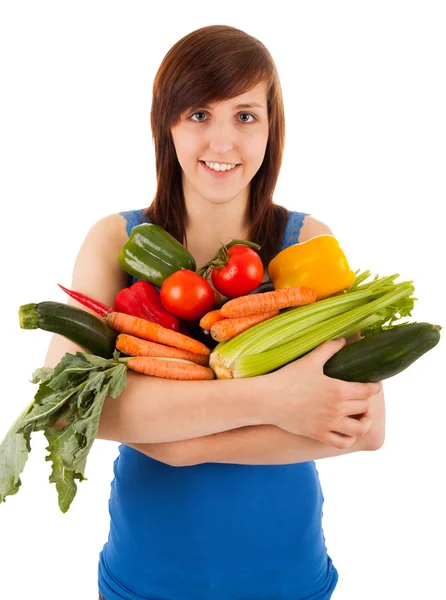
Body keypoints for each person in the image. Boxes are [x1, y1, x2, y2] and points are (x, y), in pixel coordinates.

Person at [45, 24, 384, 600]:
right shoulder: (116, 241)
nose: (221, 144)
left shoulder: (305, 243)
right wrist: (277, 403)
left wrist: (179, 442)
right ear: (166, 124)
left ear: (271, 128)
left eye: (245, 116)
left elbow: (366, 427)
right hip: (143, 580)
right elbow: (65, 411)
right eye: (199, 114)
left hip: (287, 580)